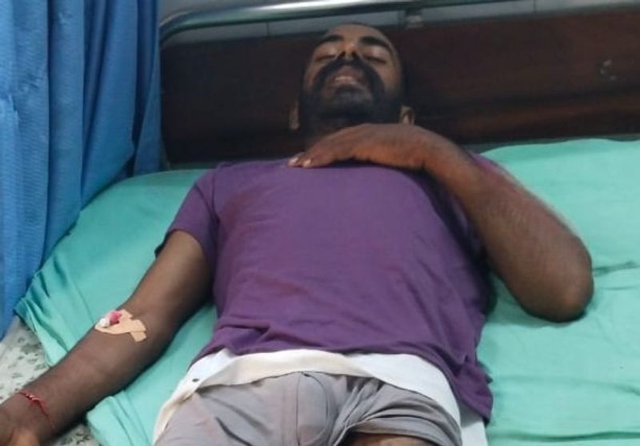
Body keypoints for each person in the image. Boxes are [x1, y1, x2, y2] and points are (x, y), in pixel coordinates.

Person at [0, 23, 592, 446]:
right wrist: (31, 410)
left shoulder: (454, 176)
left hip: (403, 381)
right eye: (327, 53)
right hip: (246, 381)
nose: (347, 54)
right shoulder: (231, 184)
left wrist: (431, 153)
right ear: (293, 113)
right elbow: (142, 316)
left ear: (407, 116)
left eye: (373, 53)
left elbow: (564, 288)